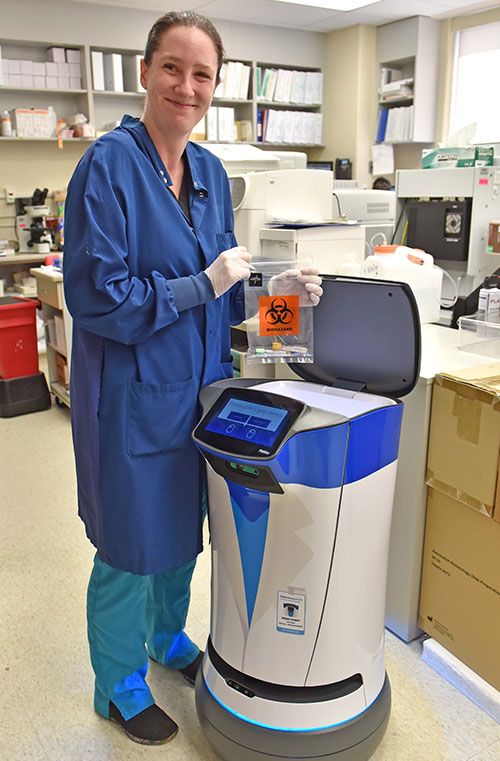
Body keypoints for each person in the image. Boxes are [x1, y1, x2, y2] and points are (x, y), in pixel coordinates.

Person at [63, 10, 323, 747]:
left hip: (202, 394)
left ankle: (165, 637)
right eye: (172, 68)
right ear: (145, 72)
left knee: (183, 532)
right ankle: (117, 684)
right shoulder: (107, 166)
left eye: (202, 74)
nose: (186, 86)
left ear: (216, 85)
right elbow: (100, 298)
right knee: (129, 546)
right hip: (131, 399)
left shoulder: (208, 172)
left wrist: (281, 298)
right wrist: (199, 284)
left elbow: (229, 296)